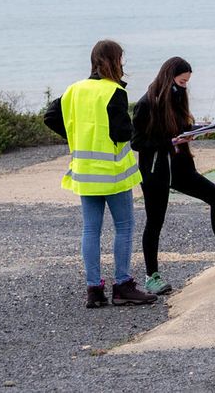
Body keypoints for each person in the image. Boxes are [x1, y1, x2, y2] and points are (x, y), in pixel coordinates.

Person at [43, 39, 157, 308]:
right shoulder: (113, 91)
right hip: (114, 172)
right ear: (115, 61)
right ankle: (122, 284)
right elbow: (120, 132)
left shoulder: (74, 90)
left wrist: (76, 137)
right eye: (121, 59)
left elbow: (50, 116)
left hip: (85, 171)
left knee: (91, 229)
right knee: (124, 227)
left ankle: (94, 289)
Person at [133, 56, 215, 295]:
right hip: (156, 171)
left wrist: (200, 128)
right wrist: (170, 141)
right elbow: (137, 142)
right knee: (155, 221)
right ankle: (151, 276)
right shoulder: (146, 103)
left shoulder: (177, 96)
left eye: (187, 81)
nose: (184, 86)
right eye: (182, 81)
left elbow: (178, 126)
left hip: (180, 167)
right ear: (169, 77)